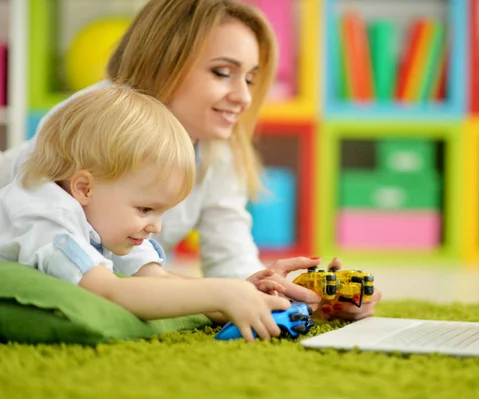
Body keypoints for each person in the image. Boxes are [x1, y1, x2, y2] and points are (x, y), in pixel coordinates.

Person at [0, 0, 381, 320]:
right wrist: (224, 295)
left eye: (249, 78)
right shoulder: (86, 129)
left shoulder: (218, 148)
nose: (244, 98)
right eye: (222, 72)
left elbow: (219, 265)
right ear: (164, 62)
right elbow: (109, 288)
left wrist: (293, 297)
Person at [0, 86, 294, 343]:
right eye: (145, 209)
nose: (156, 227)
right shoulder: (48, 217)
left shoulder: (103, 219)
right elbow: (108, 292)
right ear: (84, 188)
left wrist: (240, 292)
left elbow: (155, 278)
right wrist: (221, 295)